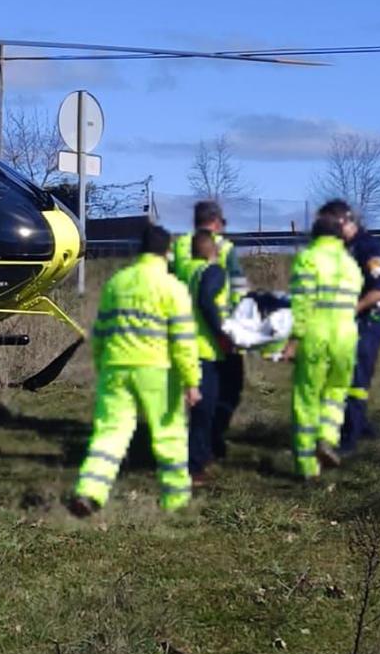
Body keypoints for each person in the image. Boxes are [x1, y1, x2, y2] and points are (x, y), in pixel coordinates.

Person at [68, 223, 200, 518]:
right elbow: (183, 341)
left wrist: (102, 365)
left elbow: (100, 331)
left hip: (116, 367)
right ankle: (176, 498)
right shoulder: (172, 288)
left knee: (110, 434)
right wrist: (192, 380)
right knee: (168, 434)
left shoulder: (118, 283)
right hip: (158, 370)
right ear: (167, 253)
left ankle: (90, 490)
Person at [280, 212, 363, 480]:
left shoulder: (308, 259)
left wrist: (294, 339)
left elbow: (301, 305)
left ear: (314, 235)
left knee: (306, 400)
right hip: (346, 337)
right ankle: (327, 436)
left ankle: (307, 467)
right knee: (336, 391)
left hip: (316, 336)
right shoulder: (351, 264)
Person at [173, 201, 247, 461]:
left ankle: (195, 443)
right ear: (216, 222)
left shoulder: (179, 245)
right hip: (217, 332)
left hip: (181, 328)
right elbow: (237, 287)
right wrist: (240, 325)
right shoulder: (223, 248)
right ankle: (208, 443)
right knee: (226, 389)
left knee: (192, 391)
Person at [318, 200, 380, 451]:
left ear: (343, 221)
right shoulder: (340, 248)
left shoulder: (368, 248)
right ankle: (360, 425)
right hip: (348, 320)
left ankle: (349, 438)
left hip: (370, 319)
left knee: (355, 375)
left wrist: (352, 309)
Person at [177, 228, 232, 481]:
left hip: (183, 345)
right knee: (204, 409)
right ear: (213, 249)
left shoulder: (186, 272)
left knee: (192, 408)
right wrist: (222, 334)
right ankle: (196, 464)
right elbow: (206, 301)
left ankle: (197, 455)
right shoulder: (214, 271)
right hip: (205, 348)